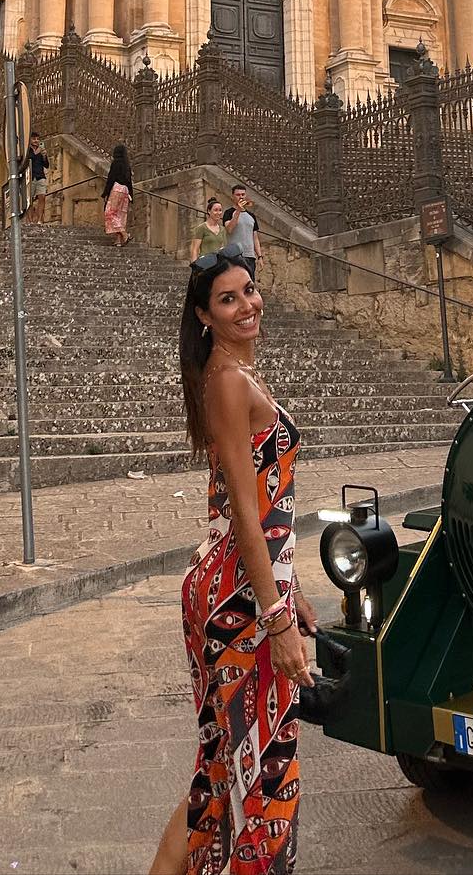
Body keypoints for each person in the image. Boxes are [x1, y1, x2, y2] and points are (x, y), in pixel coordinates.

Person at [149, 254, 315, 875]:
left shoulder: (231, 375)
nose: (247, 305)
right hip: (238, 596)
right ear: (204, 315)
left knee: (221, 770)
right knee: (266, 779)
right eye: (228, 299)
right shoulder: (228, 381)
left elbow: (247, 504)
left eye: (249, 290)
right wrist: (277, 615)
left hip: (233, 580)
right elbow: (245, 511)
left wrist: (290, 585)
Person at [222, 185, 262, 282]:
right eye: (238, 195)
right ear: (233, 196)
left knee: (249, 284)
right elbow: (229, 229)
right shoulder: (228, 213)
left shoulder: (251, 216)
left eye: (243, 194)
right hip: (234, 256)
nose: (241, 197)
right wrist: (238, 211)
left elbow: (255, 238)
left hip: (250, 256)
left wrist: (260, 256)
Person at [101, 144, 133, 246]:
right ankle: (118, 241)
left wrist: (105, 193)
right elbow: (129, 182)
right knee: (120, 215)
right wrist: (131, 195)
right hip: (125, 191)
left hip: (117, 189)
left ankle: (124, 234)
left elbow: (111, 178)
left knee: (110, 213)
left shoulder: (116, 163)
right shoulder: (127, 165)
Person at [189, 197, 226, 263]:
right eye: (215, 210)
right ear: (209, 211)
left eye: (220, 210)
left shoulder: (222, 229)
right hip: (205, 263)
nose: (218, 213)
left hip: (219, 263)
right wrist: (194, 266)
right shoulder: (201, 228)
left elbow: (223, 247)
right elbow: (195, 249)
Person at [24, 132, 49, 224]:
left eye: (38, 139)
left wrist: (44, 156)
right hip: (30, 177)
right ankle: (30, 220)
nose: (36, 141)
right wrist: (35, 153)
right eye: (34, 139)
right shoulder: (27, 150)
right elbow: (27, 160)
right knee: (29, 199)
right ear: (30, 140)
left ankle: (39, 220)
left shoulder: (41, 150)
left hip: (40, 176)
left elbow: (46, 165)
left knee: (42, 197)